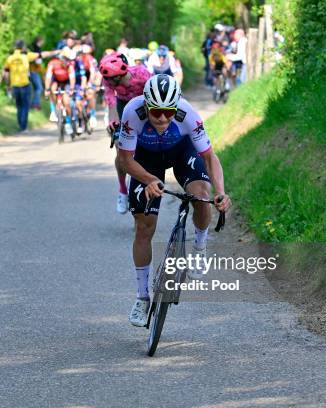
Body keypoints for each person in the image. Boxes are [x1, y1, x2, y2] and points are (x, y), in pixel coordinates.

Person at [115, 74, 231, 326]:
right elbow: (125, 160)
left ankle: (199, 248)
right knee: (144, 226)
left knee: (202, 195)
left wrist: (220, 191)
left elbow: (210, 157)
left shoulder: (187, 114)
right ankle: (142, 297)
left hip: (181, 151)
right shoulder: (132, 113)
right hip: (145, 159)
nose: (163, 118)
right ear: (146, 106)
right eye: (157, 112)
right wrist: (148, 179)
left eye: (169, 111)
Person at [99, 52, 151, 214]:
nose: (107, 82)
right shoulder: (108, 79)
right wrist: (113, 123)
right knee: (120, 149)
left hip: (143, 103)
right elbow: (111, 101)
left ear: (119, 75)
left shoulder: (141, 73)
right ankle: (123, 190)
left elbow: (155, 93)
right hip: (123, 105)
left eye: (110, 80)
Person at [4, 40, 58, 132]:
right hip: (25, 84)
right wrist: (54, 52)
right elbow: (41, 55)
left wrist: (8, 85)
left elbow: (6, 73)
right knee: (25, 106)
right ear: (22, 47)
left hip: (15, 85)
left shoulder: (10, 58)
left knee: (19, 106)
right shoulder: (26, 56)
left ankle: (20, 125)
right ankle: (23, 127)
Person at [44, 53, 75, 132]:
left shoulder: (70, 65)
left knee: (66, 102)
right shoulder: (52, 63)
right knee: (52, 89)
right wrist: (47, 89)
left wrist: (71, 89)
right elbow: (48, 77)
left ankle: (68, 122)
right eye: (65, 60)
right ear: (60, 59)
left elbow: (72, 78)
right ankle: (53, 111)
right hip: (56, 81)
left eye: (68, 60)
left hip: (66, 82)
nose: (66, 62)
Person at [29, 36, 46, 110]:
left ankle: (32, 103)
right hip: (33, 70)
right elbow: (38, 62)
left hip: (28, 70)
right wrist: (42, 72)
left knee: (32, 88)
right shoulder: (37, 50)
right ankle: (35, 104)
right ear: (39, 41)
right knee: (39, 88)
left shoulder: (31, 48)